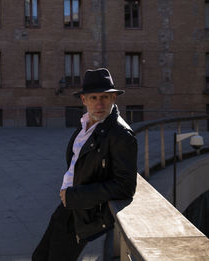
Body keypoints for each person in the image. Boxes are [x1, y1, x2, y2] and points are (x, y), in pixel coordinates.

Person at [32, 68, 138, 261]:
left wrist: (75, 196)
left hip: (85, 212)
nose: (99, 103)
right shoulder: (85, 124)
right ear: (84, 100)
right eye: (94, 97)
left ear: (113, 98)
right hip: (68, 205)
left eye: (105, 97)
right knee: (39, 256)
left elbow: (126, 186)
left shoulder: (120, 134)